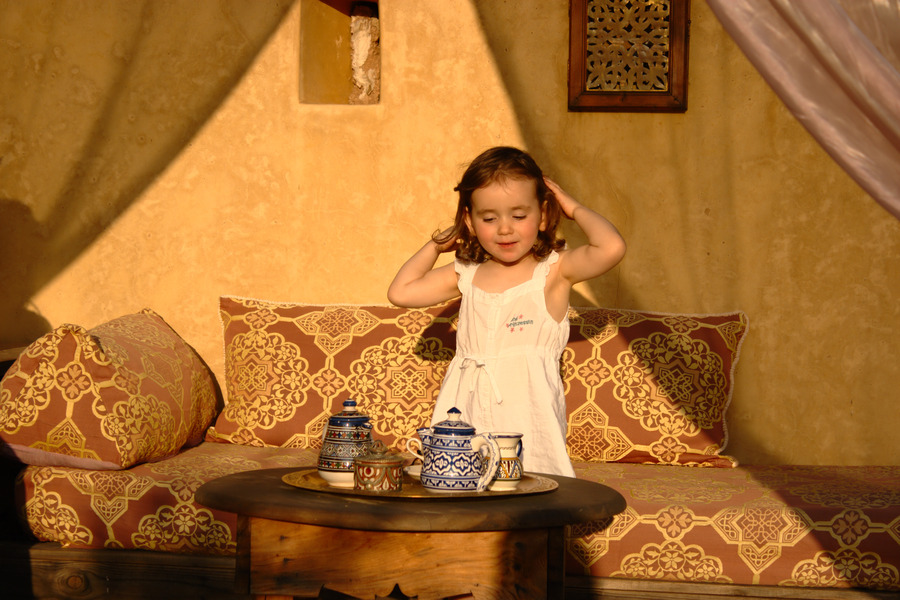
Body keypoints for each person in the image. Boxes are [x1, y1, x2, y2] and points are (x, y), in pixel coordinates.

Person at [387, 146, 626, 476]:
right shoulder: (466, 273)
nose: (504, 229)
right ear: (470, 221)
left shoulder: (554, 271)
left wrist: (571, 206)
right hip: (465, 406)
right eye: (489, 218)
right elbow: (401, 292)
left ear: (543, 215)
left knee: (534, 489)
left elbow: (611, 247)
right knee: (457, 487)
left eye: (519, 216)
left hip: (528, 415)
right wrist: (438, 245)